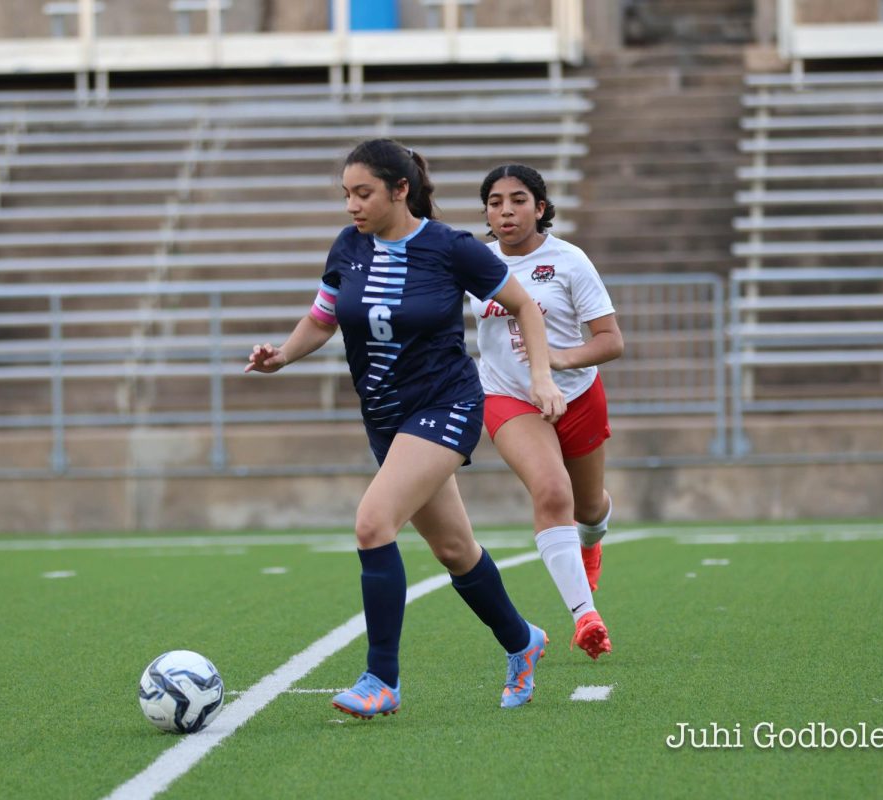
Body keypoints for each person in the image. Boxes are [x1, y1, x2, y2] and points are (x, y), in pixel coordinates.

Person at [246, 140, 566, 718]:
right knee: (454, 549)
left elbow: (526, 306)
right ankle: (523, 641)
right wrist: (282, 356)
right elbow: (322, 317)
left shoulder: (451, 248)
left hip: (446, 404)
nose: (352, 205)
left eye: (363, 192)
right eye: (346, 194)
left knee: (373, 525)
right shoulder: (349, 246)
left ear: (400, 190)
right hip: (386, 417)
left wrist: (541, 378)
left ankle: (381, 679)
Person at [471, 164, 624, 660]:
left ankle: (592, 539)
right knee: (550, 489)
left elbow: (610, 341)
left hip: (576, 395)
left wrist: (559, 359)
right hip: (508, 397)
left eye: (518, 200)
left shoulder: (569, 261)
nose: (506, 211)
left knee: (589, 508)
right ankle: (586, 617)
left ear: (540, 208)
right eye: (495, 202)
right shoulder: (474, 262)